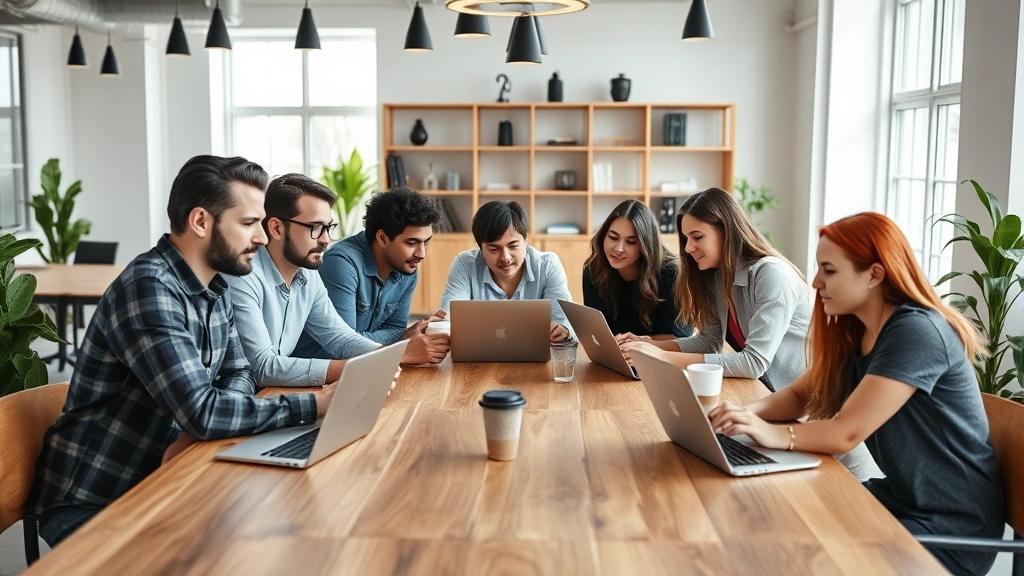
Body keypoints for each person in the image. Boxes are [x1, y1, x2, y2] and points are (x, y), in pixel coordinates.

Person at [29, 156, 338, 547]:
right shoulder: (149, 288)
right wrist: (315, 405)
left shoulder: (215, 288)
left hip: (172, 474)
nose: (262, 238)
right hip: (99, 502)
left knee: (285, 529)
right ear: (201, 222)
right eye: (248, 224)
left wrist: (200, 429)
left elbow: (238, 373)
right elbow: (204, 411)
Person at [708, 212, 1004, 576]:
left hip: (949, 530)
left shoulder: (917, 332)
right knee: (773, 518)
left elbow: (848, 431)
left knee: (796, 553)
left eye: (829, 270)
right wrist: (743, 415)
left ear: (874, 274)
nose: (815, 281)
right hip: (902, 502)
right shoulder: (856, 330)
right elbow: (800, 396)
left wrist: (774, 433)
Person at [621, 187, 876, 480]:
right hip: (782, 414)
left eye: (697, 237)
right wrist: (650, 345)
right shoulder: (718, 276)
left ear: (726, 231)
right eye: (686, 238)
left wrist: (662, 357)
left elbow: (754, 363)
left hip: (818, 428)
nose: (688, 248)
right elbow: (708, 341)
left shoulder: (771, 275)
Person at [293, 186, 448, 364]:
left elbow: (396, 328)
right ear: (382, 238)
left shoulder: (407, 267)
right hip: (317, 371)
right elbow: (344, 345)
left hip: (364, 365)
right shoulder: (341, 263)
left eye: (426, 242)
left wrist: (408, 334)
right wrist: (404, 340)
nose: (421, 253)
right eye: (412, 243)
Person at [440, 200, 573, 342]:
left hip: (536, 359)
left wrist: (561, 331)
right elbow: (451, 318)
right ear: (481, 249)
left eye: (513, 246)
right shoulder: (465, 265)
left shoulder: (548, 266)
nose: (505, 257)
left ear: (525, 241)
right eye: (494, 249)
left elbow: (564, 323)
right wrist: (443, 326)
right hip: (480, 358)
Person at [583, 199, 693, 339]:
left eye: (631, 242)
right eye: (613, 237)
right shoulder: (593, 270)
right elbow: (594, 333)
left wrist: (638, 344)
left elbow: (682, 340)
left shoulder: (671, 274)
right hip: (615, 357)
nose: (619, 248)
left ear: (645, 246)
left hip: (662, 357)